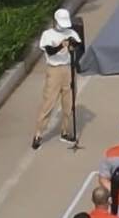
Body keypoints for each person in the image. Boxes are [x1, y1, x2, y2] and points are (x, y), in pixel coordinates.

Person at [31, 9, 82, 150]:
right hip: (54, 70)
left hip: (68, 68)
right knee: (48, 102)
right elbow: (50, 51)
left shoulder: (71, 33)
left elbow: (78, 45)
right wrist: (61, 45)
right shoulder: (48, 35)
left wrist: (73, 45)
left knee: (69, 102)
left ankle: (65, 131)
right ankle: (38, 134)